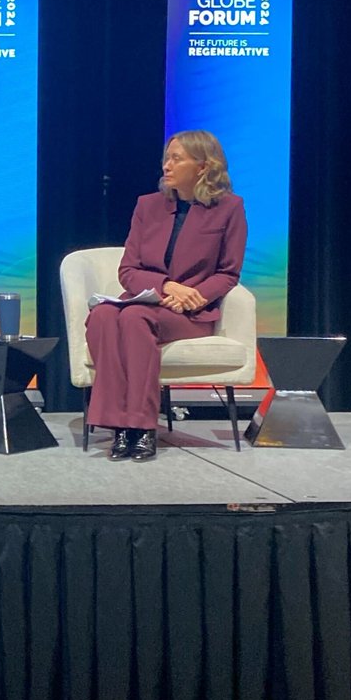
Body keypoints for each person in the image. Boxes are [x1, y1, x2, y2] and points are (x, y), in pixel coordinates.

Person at [85, 130, 246, 462]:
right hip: (149, 298)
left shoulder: (229, 208)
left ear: (203, 166)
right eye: (166, 157)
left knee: (133, 316)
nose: (167, 165)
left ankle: (142, 427)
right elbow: (127, 270)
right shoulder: (148, 206)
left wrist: (196, 296)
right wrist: (166, 286)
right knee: (102, 315)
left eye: (177, 158)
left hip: (190, 313)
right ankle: (119, 424)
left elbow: (229, 273)